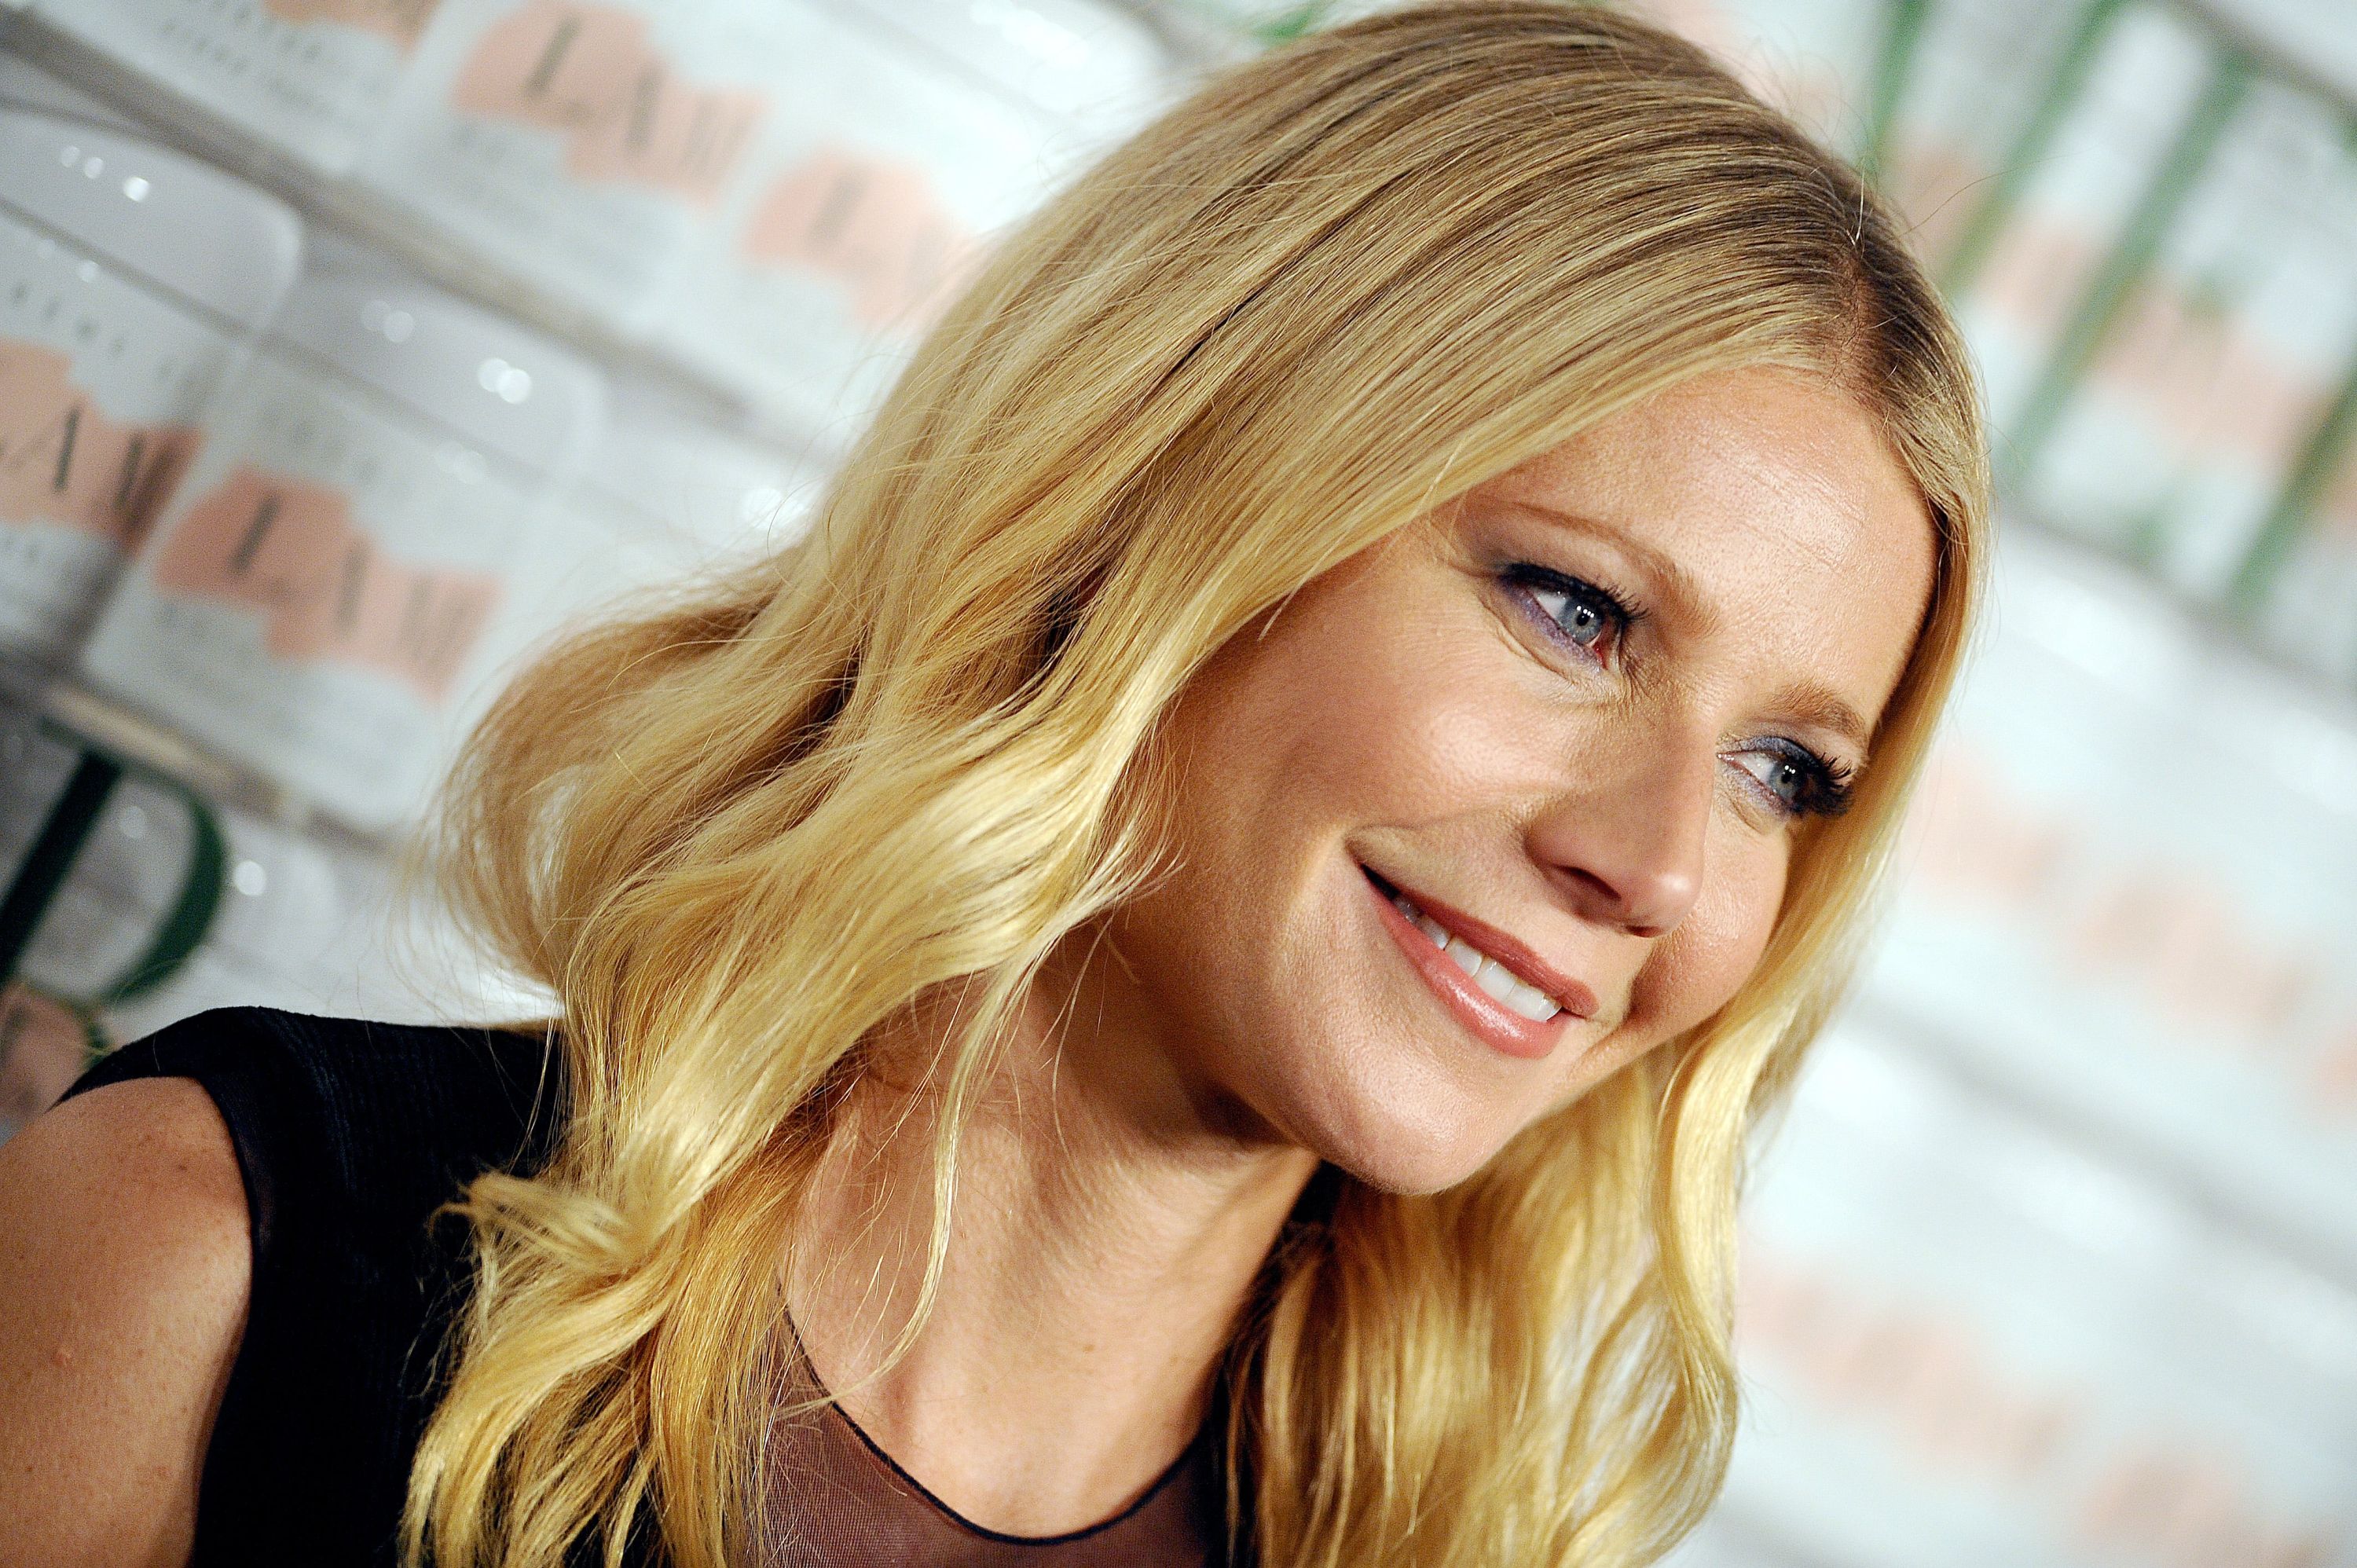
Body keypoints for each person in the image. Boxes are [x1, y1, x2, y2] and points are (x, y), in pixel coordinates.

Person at [0, 3, 1989, 1564]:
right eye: (1575, 609)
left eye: (1784, 769)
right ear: (1162, 482)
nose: (1660, 861)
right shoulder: (217, 1262)